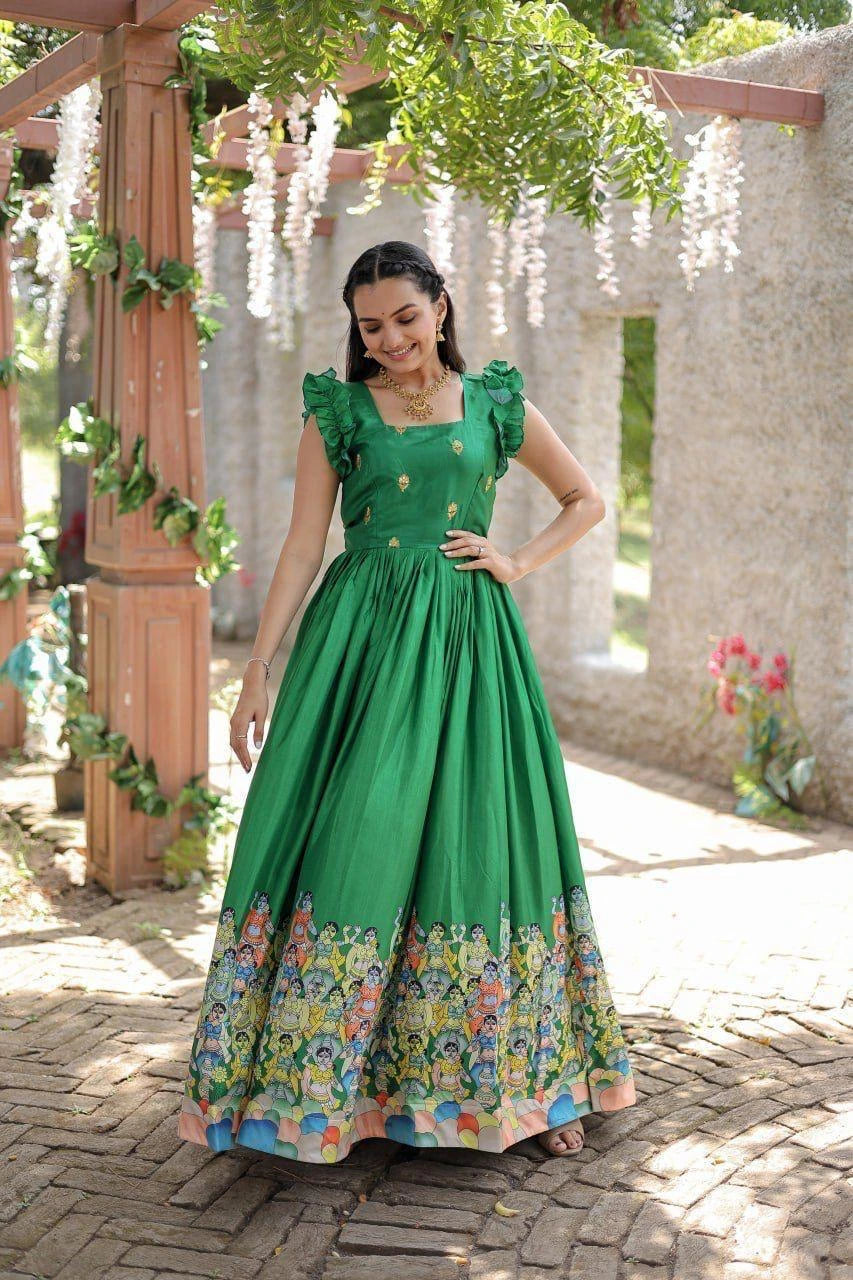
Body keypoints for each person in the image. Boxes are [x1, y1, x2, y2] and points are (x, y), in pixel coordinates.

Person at [177, 239, 637, 1164]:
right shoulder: (339, 412)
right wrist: (257, 671)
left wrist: (514, 562)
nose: (389, 339)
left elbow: (586, 499)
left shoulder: (497, 401)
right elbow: (305, 547)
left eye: (405, 317)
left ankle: (527, 1087)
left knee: (486, 842)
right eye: (370, 324)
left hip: (470, 645)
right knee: (357, 836)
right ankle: (324, 1092)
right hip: (360, 649)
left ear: (442, 306)